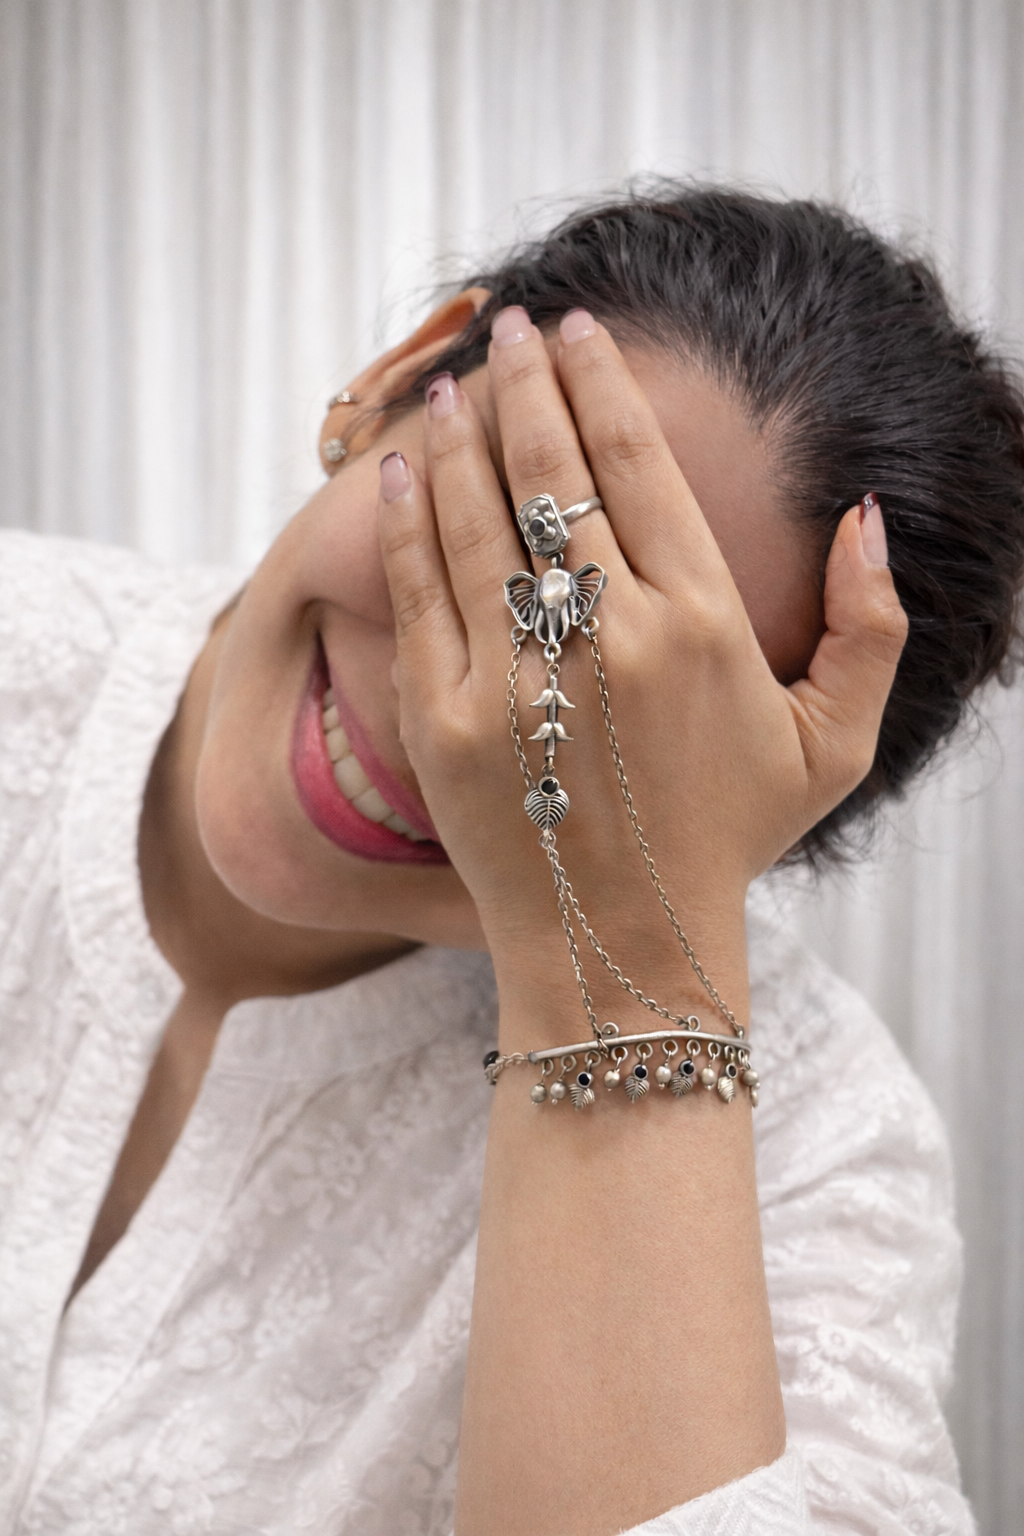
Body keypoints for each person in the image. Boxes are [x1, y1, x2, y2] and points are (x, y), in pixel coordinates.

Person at [1, 185, 1021, 1536]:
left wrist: (622, 971)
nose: (456, 721)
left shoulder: (822, 1152)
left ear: (767, 829)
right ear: (399, 379)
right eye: (501, 522)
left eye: (627, 714)